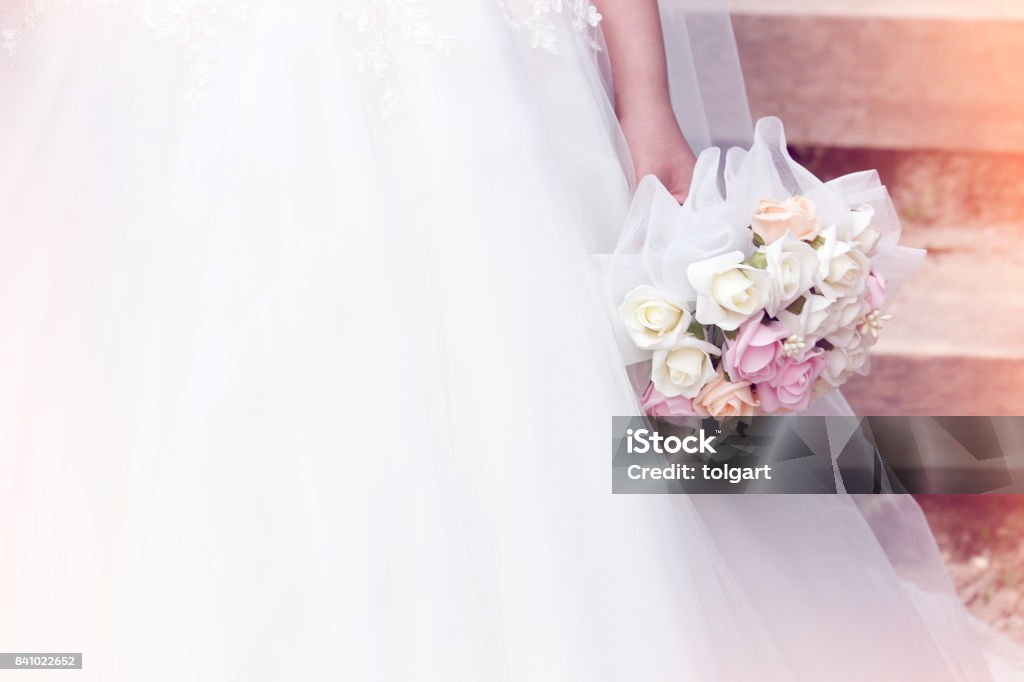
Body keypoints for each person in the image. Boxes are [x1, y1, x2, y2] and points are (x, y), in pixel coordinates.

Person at [0, 1, 1019, 679]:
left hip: (468, 82)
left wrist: (644, 97)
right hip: (215, 75)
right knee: (223, 396)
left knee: (510, 396)